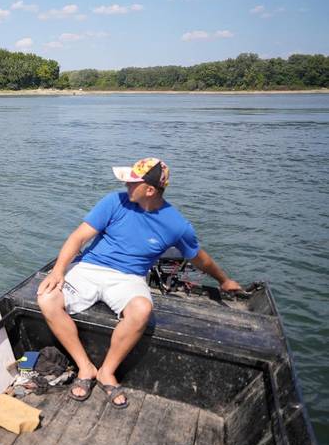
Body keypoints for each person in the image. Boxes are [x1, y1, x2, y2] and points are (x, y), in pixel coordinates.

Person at [36, 158, 241, 408]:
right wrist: (58, 271)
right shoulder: (114, 202)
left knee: (142, 310)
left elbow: (201, 259)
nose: (126, 184)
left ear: (150, 190)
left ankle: (106, 371)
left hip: (129, 278)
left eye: (133, 182)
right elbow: (78, 237)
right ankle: (85, 367)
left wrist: (224, 280)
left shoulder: (176, 224)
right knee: (47, 299)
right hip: (89, 268)